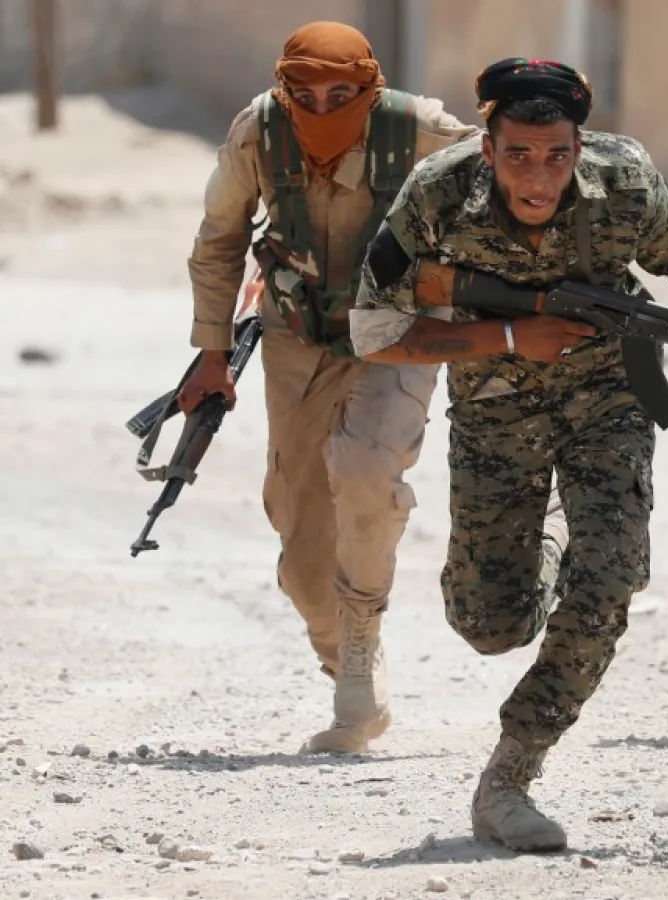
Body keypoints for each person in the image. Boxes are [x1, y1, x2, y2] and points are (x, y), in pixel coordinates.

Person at [350, 58, 668, 852]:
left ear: (580, 143)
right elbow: (376, 330)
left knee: (610, 580)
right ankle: (554, 544)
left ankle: (510, 776)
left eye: (558, 154)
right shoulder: (436, 190)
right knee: (489, 627)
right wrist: (506, 335)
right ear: (488, 145)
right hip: (495, 411)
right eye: (519, 154)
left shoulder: (625, 177)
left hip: (611, 400)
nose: (539, 175)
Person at [177, 22, 479, 753]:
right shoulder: (261, 131)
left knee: (369, 470)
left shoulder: (415, 128)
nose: (321, 107)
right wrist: (211, 350)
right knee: (302, 544)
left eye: (341, 94)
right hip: (297, 339)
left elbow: (509, 179)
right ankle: (352, 660)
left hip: (398, 335)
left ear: (370, 88)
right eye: (304, 93)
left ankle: (361, 638)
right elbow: (218, 238)